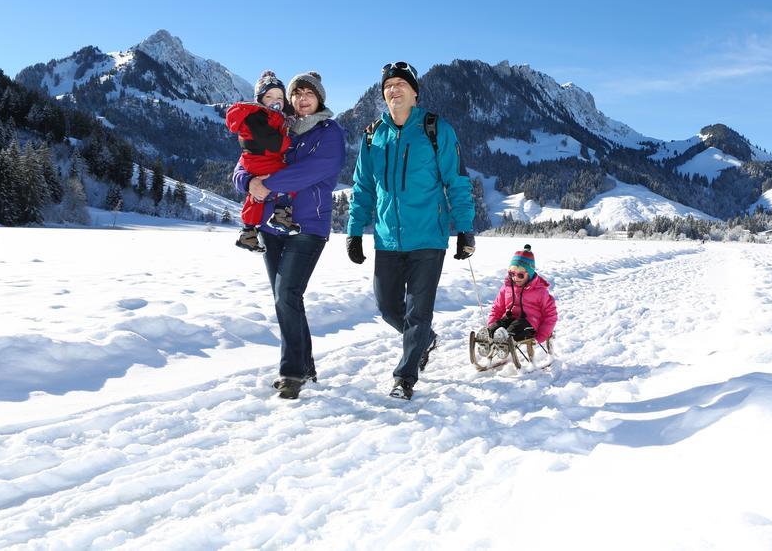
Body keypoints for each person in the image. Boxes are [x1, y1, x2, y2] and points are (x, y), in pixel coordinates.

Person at [346, 61, 476, 400]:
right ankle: (425, 339)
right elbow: (362, 187)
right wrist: (354, 230)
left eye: (401, 83)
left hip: (429, 237)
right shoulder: (373, 134)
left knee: (419, 311)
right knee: (388, 306)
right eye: (388, 85)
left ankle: (405, 377)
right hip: (388, 237)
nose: (394, 89)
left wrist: (464, 229)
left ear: (415, 92)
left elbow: (457, 182)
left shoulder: (436, 130)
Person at [233, 70, 346, 400]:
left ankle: (291, 372)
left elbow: (314, 171)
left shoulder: (329, 132)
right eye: (297, 94)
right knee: (287, 300)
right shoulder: (277, 126)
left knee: (286, 296)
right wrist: (247, 183)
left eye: (309, 93)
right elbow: (246, 161)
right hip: (272, 226)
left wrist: (265, 185)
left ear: (320, 98)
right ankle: (305, 365)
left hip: (308, 227)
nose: (302, 98)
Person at [226, 70, 300, 252]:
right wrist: (290, 142)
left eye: (280, 97)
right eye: (269, 96)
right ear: (260, 99)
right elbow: (273, 143)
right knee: (288, 178)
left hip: (255, 161)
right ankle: (281, 213)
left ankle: (248, 232)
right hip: (261, 159)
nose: (275, 100)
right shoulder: (258, 115)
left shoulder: (272, 116)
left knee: (256, 197)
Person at [476, 244, 558, 348]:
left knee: (512, 330)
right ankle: (488, 340)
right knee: (499, 326)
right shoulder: (506, 288)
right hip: (509, 319)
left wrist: (540, 336)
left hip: (530, 323)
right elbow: (497, 308)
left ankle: (504, 345)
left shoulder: (540, 291)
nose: (515, 278)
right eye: (511, 274)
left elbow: (550, 316)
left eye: (520, 275)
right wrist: (492, 324)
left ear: (530, 273)